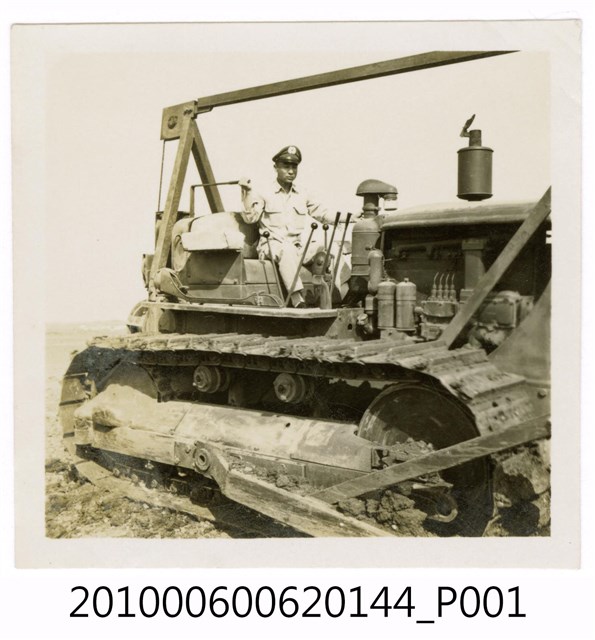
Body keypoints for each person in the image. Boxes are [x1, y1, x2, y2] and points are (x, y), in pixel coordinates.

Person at [240, 145, 349, 308]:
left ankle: (339, 293)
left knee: (331, 247)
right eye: (286, 166)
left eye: (294, 167)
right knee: (286, 249)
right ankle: (297, 297)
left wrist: (348, 218)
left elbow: (321, 213)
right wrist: (247, 193)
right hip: (272, 246)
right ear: (276, 167)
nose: (291, 171)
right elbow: (250, 218)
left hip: (298, 247)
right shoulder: (263, 192)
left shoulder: (303, 193)